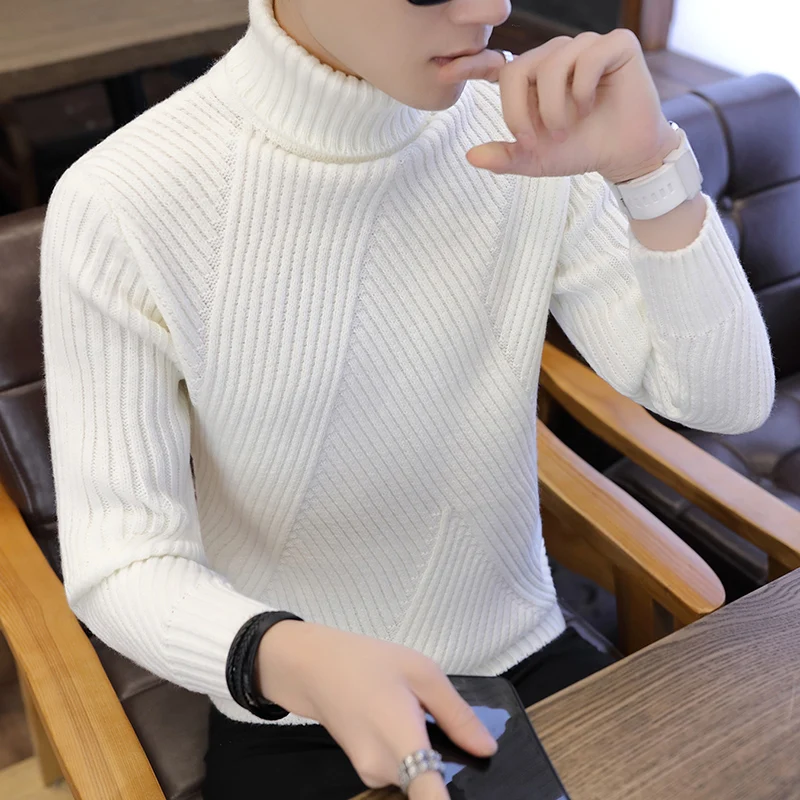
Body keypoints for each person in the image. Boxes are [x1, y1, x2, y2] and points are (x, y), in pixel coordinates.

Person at [39, 0, 775, 798]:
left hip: (525, 658)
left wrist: (651, 169)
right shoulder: (122, 200)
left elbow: (725, 399)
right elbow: (123, 557)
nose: (492, 6)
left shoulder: (524, 129)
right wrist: (293, 657)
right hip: (292, 702)